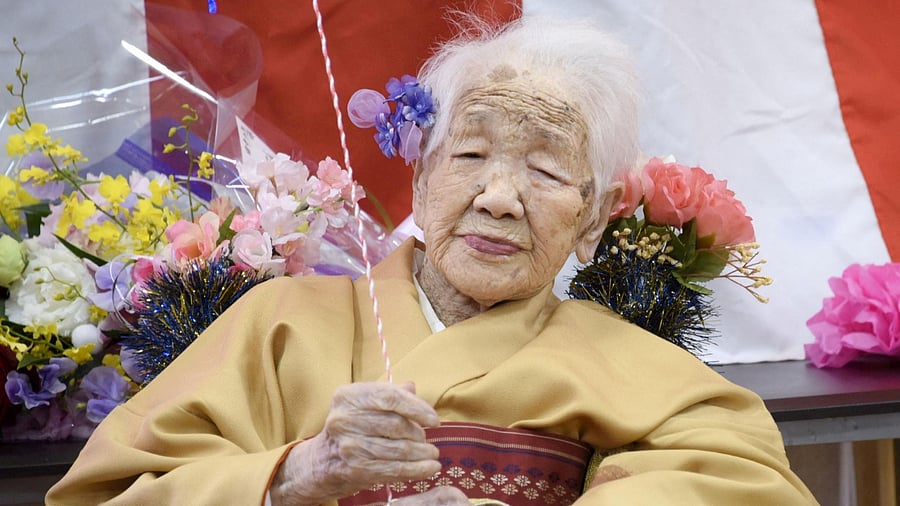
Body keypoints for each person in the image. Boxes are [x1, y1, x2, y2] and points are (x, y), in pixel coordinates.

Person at [46, 14, 817, 505]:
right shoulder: (274, 326)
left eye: (547, 172)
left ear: (593, 219)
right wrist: (294, 477)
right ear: (420, 176)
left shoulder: (648, 375)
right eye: (471, 152)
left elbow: (741, 487)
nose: (500, 196)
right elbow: (112, 495)